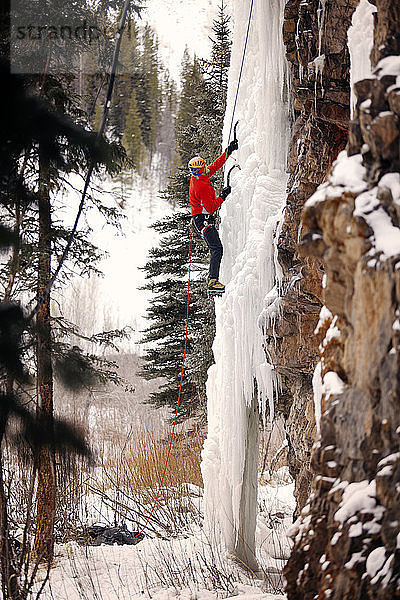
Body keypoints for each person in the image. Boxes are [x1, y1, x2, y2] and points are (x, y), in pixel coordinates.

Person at [188, 139, 238, 294]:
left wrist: (228, 152)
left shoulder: (199, 177)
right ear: (197, 171)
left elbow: (214, 166)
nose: (205, 169)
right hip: (202, 220)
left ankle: (213, 280)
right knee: (216, 248)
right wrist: (223, 196)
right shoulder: (200, 185)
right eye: (202, 168)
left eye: (204, 167)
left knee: (216, 248)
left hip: (201, 219)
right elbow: (210, 208)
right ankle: (212, 282)